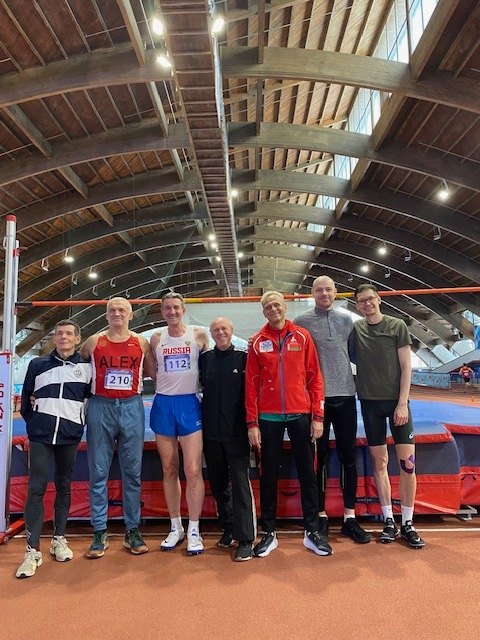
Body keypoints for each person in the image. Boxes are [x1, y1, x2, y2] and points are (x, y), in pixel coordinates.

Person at [245, 290, 329, 557]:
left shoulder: (302, 336)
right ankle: (269, 533)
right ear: (263, 311)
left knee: (308, 474)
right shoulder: (257, 342)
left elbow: (315, 377)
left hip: (300, 414)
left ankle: (312, 531)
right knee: (268, 475)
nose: (273, 309)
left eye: (277, 305)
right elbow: (251, 384)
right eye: (268, 306)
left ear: (284, 307)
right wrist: (252, 423)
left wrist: (317, 416)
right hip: (268, 417)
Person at [294, 275, 371, 547]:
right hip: (316, 401)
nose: (324, 293)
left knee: (348, 457)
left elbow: (356, 354)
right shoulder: (301, 322)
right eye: (319, 290)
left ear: (335, 292)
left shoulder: (347, 320)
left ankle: (350, 517)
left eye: (328, 289)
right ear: (312, 293)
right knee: (320, 458)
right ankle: (320, 515)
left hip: (346, 396)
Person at [16, 320, 92, 578]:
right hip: (41, 436)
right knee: (36, 487)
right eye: (59, 333)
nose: (64, 337)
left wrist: (77, 425)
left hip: (69, 436)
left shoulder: (86, 368)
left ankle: (59, 538)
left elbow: (88, 400)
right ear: (54, 338)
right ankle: (32, 549)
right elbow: (26, 401)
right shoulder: (37, 365)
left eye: (69, 333)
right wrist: (36, 423)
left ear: (77, 338)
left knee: (64, 485)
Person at [351, 284, 425, 549]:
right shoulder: (356, 329)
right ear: (357, 305)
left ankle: (408, 522)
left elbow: (406, 366)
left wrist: (402, 403)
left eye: (370, 299)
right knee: (380, 462)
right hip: (370, 404)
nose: (367, 303)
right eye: (362, 301)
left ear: (379, 299)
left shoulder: (397, 326)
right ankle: (389, 520)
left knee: (408, 465)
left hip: (397, 405)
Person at [80, 297, 155, 558]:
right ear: (106, 315)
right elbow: (76, 365)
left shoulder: (141, 343)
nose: (117, 313)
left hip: (131, 406)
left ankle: (132, 529)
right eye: (112, 310)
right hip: (100, 407)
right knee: (98, 471)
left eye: (122, 310)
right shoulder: (93, 342)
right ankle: (99, 530)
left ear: (130, 315)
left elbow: (154, 373)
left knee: (132, 472)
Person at [150, 292, 209, 555]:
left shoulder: (198, 335)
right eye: (167, 308)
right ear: (162, 312)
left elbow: (207, 368)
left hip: (189, 404)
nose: (172, 312)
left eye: (176, 307)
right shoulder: (156, 338)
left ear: (183, 310)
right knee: (169, 468)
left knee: (193, 469)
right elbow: (151, 369)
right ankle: (176, 526)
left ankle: (194, 528)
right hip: (164, 404)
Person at [199, 317, 256, 562]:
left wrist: (252, 426)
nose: (220, 332)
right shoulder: (205, 360)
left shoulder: (244, 358)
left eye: (224, 329)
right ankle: (229, 528)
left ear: (231, 331)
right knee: (219, 484)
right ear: (211, 334)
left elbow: (252, 394)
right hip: (212, 434)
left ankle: (246, 539)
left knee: (241, 485)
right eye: (216, 330)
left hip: (237, 433)